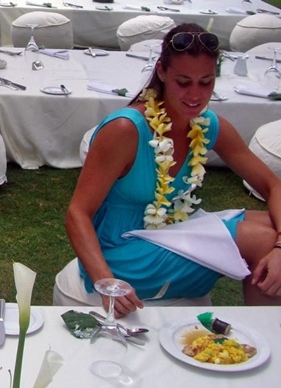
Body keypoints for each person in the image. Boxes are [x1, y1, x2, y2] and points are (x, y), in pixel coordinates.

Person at [54, 23, 281, 317]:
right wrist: (104, 281)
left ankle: (267, 336)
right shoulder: (125, 129)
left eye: (206, 82)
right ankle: (270, 335)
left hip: (170, 233)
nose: (195, 95)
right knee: (262, 240)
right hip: (120, 254)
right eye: (183, 82)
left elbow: (273, 186)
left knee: (271, 226)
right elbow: (77, 213)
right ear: (161, 72)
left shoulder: (210, 125)